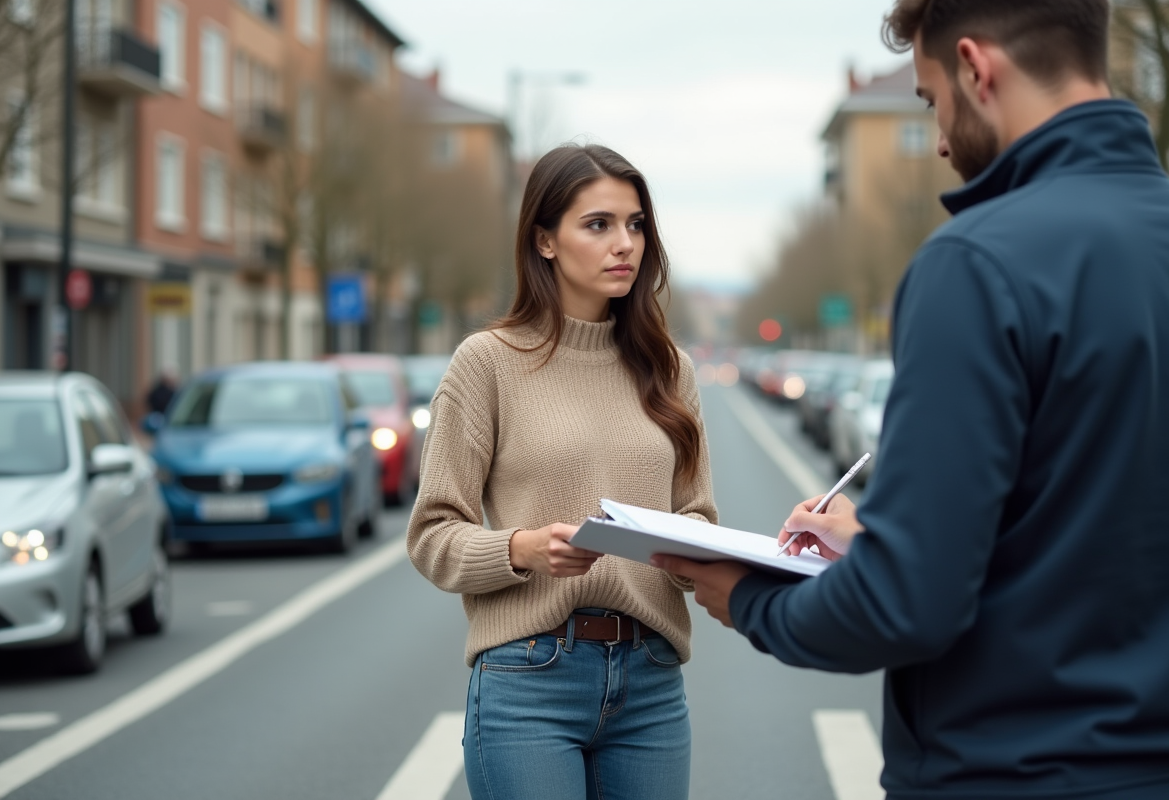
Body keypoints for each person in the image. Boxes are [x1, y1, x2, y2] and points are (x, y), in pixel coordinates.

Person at [656, 1, 1169, 798]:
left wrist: (752, 600)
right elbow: (1092, 535)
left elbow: (907, 608)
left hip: (1009, 772)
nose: (935, 140)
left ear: (976, 66)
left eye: (930, 102)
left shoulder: (978, 264)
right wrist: (881, 542)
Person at [407, 144, 717, 800]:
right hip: (528, 682)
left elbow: (698, 515)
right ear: (544, 240)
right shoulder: (486, 363)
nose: (624, 244)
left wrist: (693, 554)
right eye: (598, 224)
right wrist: (522, 550)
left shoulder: (670, 370)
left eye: (635, 225)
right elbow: (433, 536)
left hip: (653, 681)